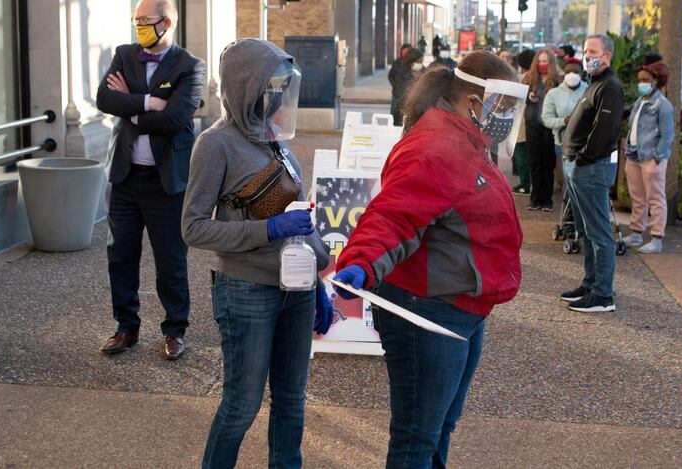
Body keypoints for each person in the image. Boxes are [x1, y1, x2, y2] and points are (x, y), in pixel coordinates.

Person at [333, 51, 523, 468]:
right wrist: (361, 262)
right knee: (417, 440)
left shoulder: (466, 139)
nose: (507, 117)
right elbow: (392, 215)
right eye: (503, 106)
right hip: (429, 311)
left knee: (439, 428)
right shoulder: (436, 145)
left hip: (458, 309)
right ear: (474, 101)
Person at [181, 39, 332, 468]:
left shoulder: (275, 139)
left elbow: (301, 217)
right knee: (241, 406)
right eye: (271, 86)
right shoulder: (216, 144)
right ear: (246, 86)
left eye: (283, 87)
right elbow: (192, 227)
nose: (280, 97)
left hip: (296, 290)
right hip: (246, 292)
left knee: (291, 402)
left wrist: (317, 279)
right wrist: (266, 228)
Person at [96, 0, 205, 360]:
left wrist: (131, 105)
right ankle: (126, 327)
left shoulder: (190, 66)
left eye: (146, 20)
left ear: (167, 22)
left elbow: (175, 120)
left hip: (166, 183)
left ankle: (175, 330)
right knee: (120, 255)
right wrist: (146, 101)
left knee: (170, 260)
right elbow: (103, 99)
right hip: (126, 179)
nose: (139, 25)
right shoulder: (124, 55)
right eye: (136, 19)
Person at [560, 34, 624, 313]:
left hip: (590, 168)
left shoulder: (609, 87)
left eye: (593, 51)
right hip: (578, 166)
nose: (587, 56)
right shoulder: (594, 83)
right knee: (586, 230)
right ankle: (590, 284)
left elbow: (603, 131)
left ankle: (602, 295)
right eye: (586, 51)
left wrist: (582, 157)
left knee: (598, 233)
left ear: (607, 56)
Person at [622, 61, 675, 254]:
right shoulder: (640, 101)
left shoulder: (663, 105)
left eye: (646, 80)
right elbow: (633, 126)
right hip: (634, 155)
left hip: (650, 157)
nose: (641, 83)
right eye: (639, 80)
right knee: (637, 197)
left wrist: (657, 157)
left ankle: (656, 238)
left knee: (655, 198)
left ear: (656, 81)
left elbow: (667, 135)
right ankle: (636, 233)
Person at [542, 57, 587, 193]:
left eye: (576, 72)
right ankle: (568, 208)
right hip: (561, 143)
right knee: (566, 179)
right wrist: (564, 121)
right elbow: (546, 119)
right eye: (568, 72)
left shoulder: (589, 90)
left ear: (582, 74)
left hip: (585, 144)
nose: (572, 75)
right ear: (564, 74)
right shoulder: (553, 93)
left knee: (581, 179)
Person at [522, 48, 560, 211]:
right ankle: (535, 198)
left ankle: (547, 200)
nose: (542, 64)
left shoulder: (557, 81)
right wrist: (529, 97)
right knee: (535, 163)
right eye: (540, 61)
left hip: (549, 126)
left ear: (550, 63)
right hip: (532, 124)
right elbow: (520, 96)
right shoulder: (530, 79)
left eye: (545, 61)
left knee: (548, 163)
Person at [511, 49, 536, 194]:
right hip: (534, 121)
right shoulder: (537, 78)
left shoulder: (520, 79)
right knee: (533, 154)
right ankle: (533, 183)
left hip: (520, 121)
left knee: (521, 154)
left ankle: (525, 184)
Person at [390, 47, 424, 127]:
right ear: (410, 62)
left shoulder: (425, 73)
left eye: (421, 62)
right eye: (418, 62)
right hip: (404, 113)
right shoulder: (402, 74)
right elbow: (399, 93)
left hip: (421, 113)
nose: (420, 64)